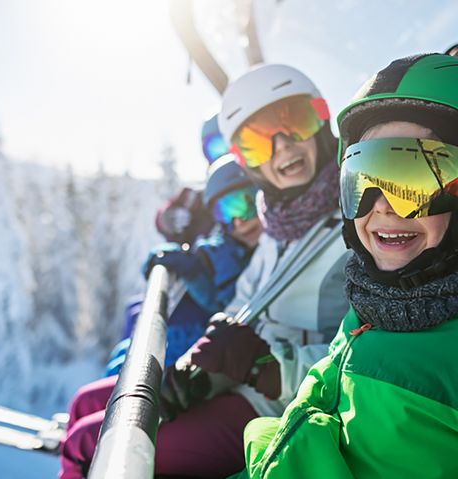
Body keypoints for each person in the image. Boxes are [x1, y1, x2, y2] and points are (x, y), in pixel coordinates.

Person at [232, 53, 458, 479]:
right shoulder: (369, 307)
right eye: (363, 178)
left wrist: (271, 369)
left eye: (414, 179)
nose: (384, 206)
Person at [149, 63, 349, 477]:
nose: (282, 147)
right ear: (245, 161)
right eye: (258, 144)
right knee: (101, 415)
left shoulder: (357, 220)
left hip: (289, 401)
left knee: (142, 453)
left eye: (294, 122)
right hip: (248, 385)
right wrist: (209, 365)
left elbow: (361, 351)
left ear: (321, 118)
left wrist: (268, 366)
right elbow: (243, 303)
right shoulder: (276, 222)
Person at [59, 154, 262, 479]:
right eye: (227, 211)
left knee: (88, 440)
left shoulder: (268, 247)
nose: (240, 220)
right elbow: (186, 232)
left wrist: (197, 273)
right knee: (84, 402)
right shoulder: (227, 244)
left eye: (247, 203)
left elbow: (236, 300)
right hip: (203, 364)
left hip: (223, 375)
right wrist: (183, 250)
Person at [155, 113, 229, 243]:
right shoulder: (195, 198)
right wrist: (167, 219)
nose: (225, 157)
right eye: (216, 147)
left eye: (229, 147)